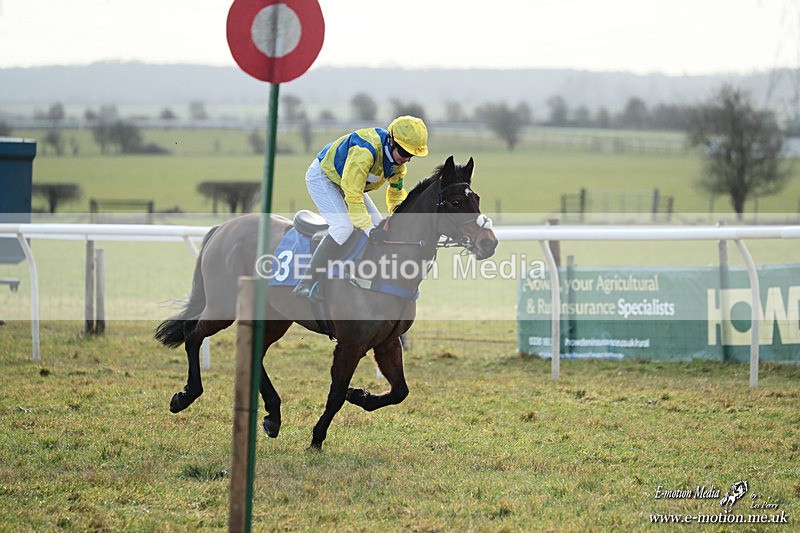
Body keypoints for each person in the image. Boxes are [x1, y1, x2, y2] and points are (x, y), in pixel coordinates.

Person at [293, 115, 429, 298]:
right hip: (324, 177)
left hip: (349, 182)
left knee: (380, 224)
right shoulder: (365, 152)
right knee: (343, 227)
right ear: (391, 141)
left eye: (412, 155)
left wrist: (401, 221)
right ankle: (306, 282)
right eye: (405, 153)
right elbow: (353, 195)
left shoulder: (398, 165)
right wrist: (368, 229)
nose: (408, 159)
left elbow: (396, 196)